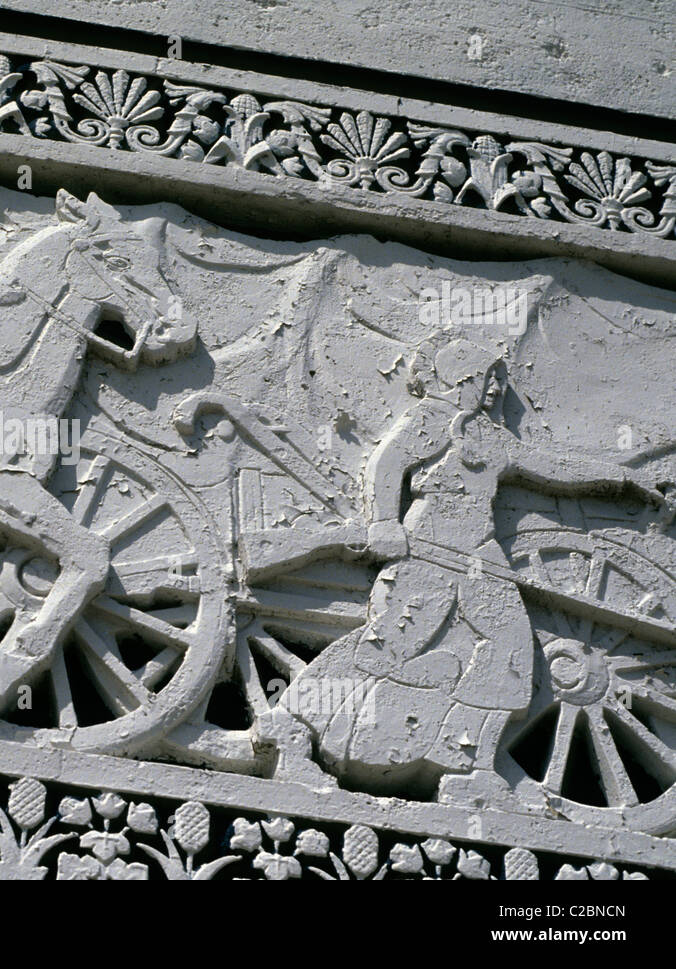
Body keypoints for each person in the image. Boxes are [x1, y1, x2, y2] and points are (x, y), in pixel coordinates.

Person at [282, 336, 668, 806]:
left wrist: (625, 478)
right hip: (430, 544)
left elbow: (551, 466)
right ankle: (288, 732)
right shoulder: (431, 419)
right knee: (385, 644)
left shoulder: (487, 435)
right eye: (490, 378)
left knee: (508, 650)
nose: (496, 390)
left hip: (479, 553)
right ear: (464, 378)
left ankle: (469, 767)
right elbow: (389, 463)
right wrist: (384, 522)